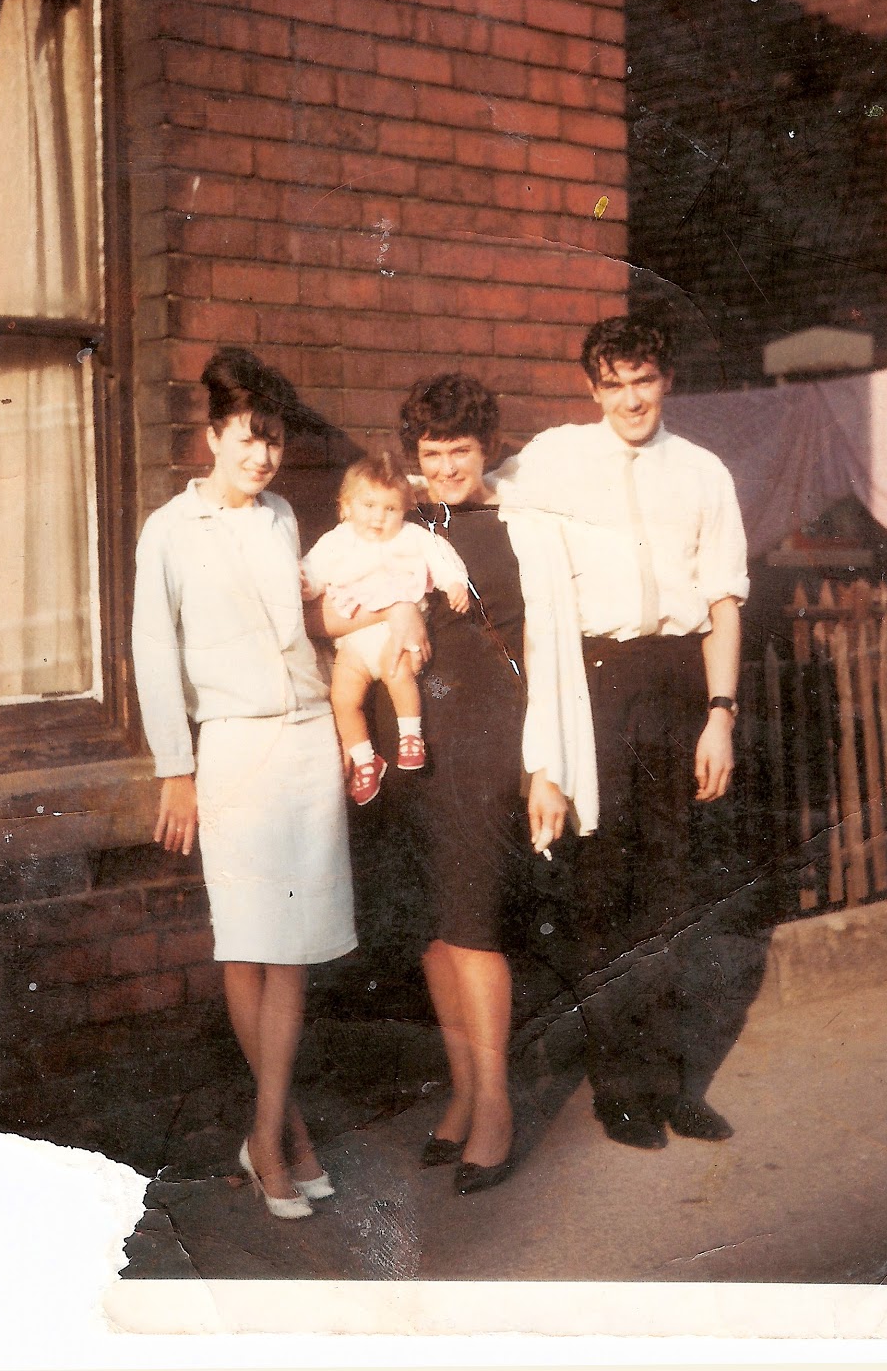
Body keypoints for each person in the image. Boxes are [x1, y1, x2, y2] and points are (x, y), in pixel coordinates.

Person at [495, 315, 750, 1151]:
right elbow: (472, 488)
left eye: (643, 380)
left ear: (664, 380)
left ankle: (675, 1085)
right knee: (604, 888)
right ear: (592, 388)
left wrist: (720, 715)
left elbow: (722, 603)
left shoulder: (705, 473)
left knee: (674, 892)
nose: (630, 398)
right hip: (598, 684)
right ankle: (622, 1092)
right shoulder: (560, 457)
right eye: (613, 383)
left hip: (679, 683)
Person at [131, 346, 356, 1220]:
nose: (262, 457)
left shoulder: (284, 518)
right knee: (250, 939)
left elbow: (306, 624)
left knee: (294, 944)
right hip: (230, 751)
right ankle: (279, 1137)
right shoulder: (169, 532)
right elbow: (155, 654)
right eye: (247, 439)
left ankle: (273, 1133)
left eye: (274, 442)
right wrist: (175, 769)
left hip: (305, 745)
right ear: (213, 436)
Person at [366, 372, 597, 1195]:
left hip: (488, 741)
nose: (446, 466)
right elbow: (342, 601)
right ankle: (463, 1093)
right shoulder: (398, 518)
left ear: (487, 447)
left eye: (459, 450)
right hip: (411, 742)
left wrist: (546, 766)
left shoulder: (519, 525)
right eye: (431, 452)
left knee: (474, 922)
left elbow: (549, 655)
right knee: (436, 926)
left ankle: (496, 1103)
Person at [300, 450, 470, 805]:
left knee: (399, 675)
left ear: (405, 508)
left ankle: (411, 736)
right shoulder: (338, 540)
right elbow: (313, 571)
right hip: (354, 641)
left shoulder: (412, 537)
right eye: (368, 506)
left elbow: (441, 556)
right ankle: (365, 759)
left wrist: (454, 582)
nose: (378, 518)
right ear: (346, 507)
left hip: (397, 637)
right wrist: (305, 583)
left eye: (389, 509)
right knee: (343, 698)